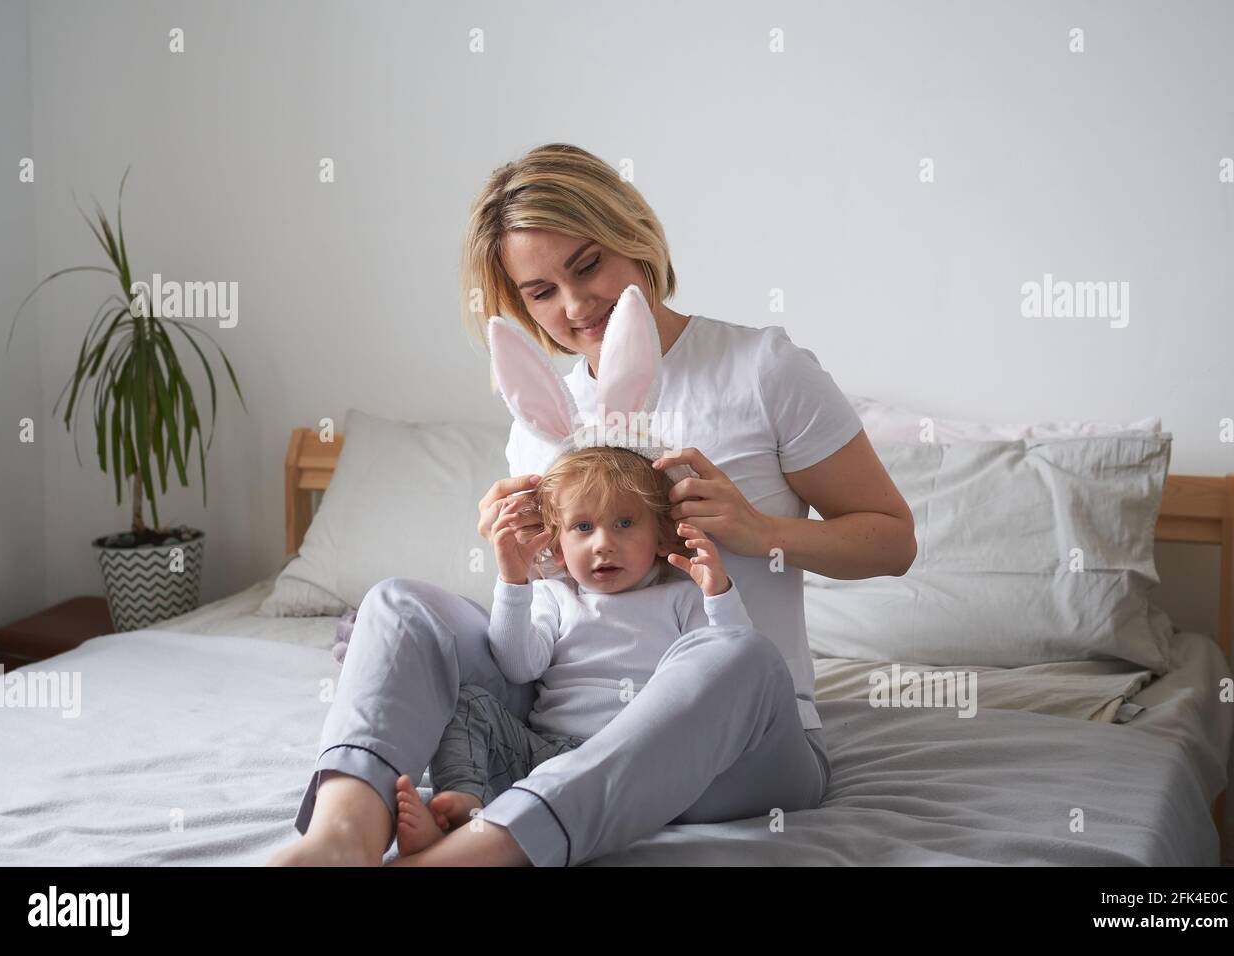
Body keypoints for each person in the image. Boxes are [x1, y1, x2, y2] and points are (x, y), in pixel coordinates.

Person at [267, 142, 916, 867]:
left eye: (587, 265)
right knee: (396, 605)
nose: (575, 306)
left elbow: (892, 540)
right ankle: (340, 838)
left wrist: (759, 530)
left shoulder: (762, 369)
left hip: (733, 746)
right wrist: (517, 563)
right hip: (554, 737)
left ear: (633, 235)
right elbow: (539, 637)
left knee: (737, 654)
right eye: (540, 292)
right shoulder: (542, 416)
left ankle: (480, 854)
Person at [394, 445, 752, 857]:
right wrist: (514, 581)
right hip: (543, 755)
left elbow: (731, 670)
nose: (603, 544)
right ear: (558, 547)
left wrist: (718, 594)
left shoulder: (680, 599)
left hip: (632, 761)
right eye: (583, 527)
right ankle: (462, 805)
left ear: (659, 535)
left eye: (624, 523)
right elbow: (517, 665)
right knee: (468, 703)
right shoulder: (555, 596)